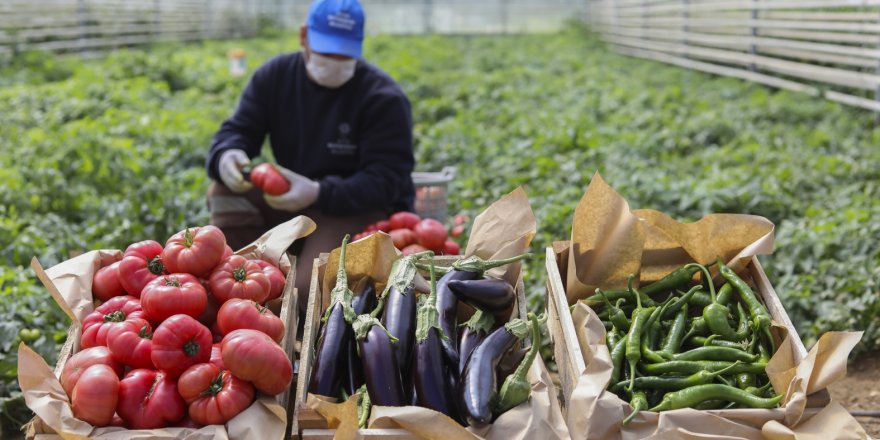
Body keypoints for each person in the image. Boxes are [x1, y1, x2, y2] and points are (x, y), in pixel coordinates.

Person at [204, 0, 415, 313]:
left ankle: (290, 311)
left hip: (351, 206)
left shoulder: (382, 98)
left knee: (307, 293)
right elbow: (238, 130)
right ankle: (243, 270)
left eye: (344, 54)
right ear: (304, 37)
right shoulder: (275, 77)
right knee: (224, 192)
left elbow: (388, 181)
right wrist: (227, 154)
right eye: (326, 51)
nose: (334, 61)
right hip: (288, 199)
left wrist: (318, 192)